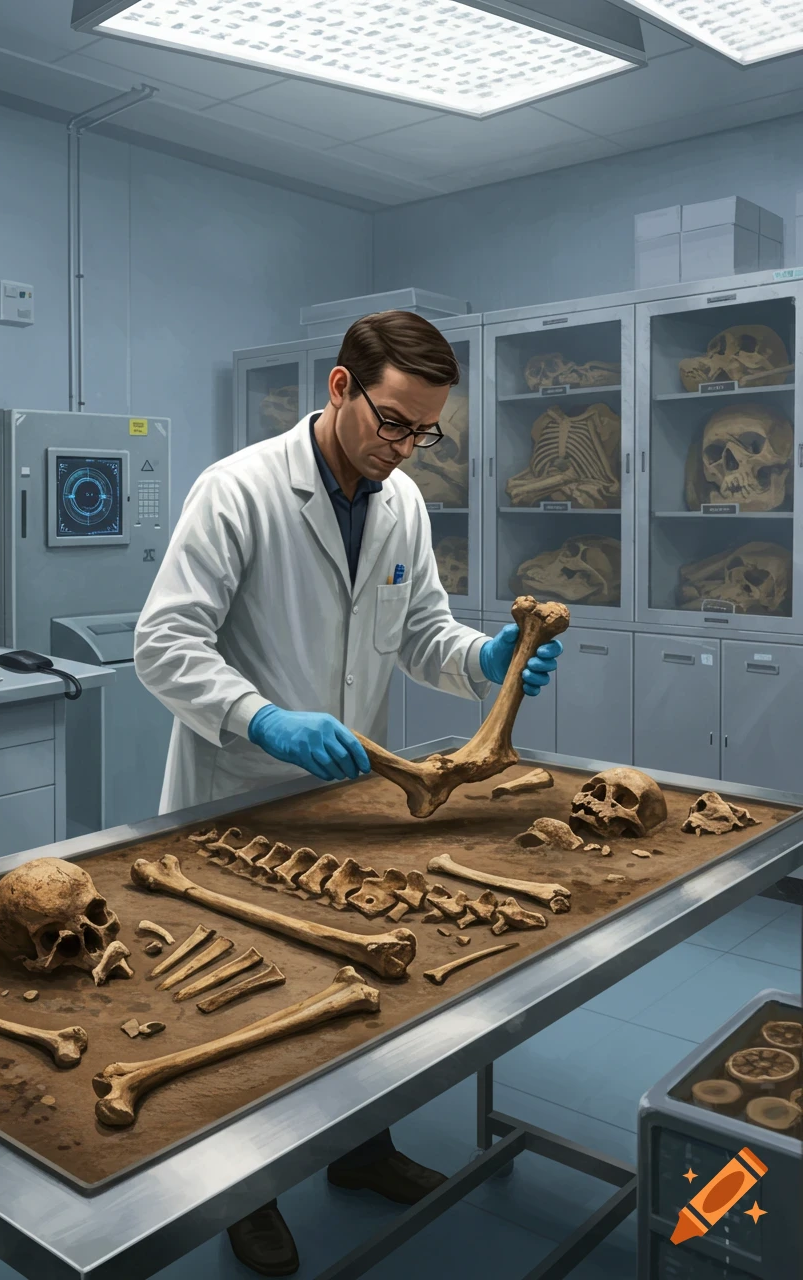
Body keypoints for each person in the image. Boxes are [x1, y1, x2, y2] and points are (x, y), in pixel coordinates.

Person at [134, 310, 562, 1276]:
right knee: (243, 1006)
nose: (406, 447)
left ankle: (359, 1152)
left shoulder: (400, 502)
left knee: (354, 991)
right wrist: (264, 721)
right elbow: (162, 645)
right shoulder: (236, 490)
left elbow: (422, 637)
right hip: (236, 794)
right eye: (393, 422)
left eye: (425, 431)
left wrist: (488, 658)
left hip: (350, 801)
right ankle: (245, 1193)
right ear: (338, 389)